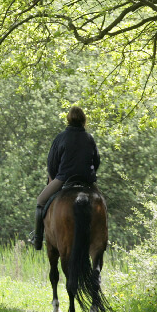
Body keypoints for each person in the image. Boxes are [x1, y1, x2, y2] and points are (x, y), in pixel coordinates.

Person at [32, 106, 100, 250]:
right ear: (84, 120)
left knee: (40, 201)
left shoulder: (60, 137)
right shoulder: (89, 138)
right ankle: (101, 236)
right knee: (102, 204)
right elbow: (96, 161)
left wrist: (58, 176)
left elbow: (51, 164)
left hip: (64, 178)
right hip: (87, 180)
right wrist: (90, 175)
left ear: (68, 119)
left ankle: (37, 239)